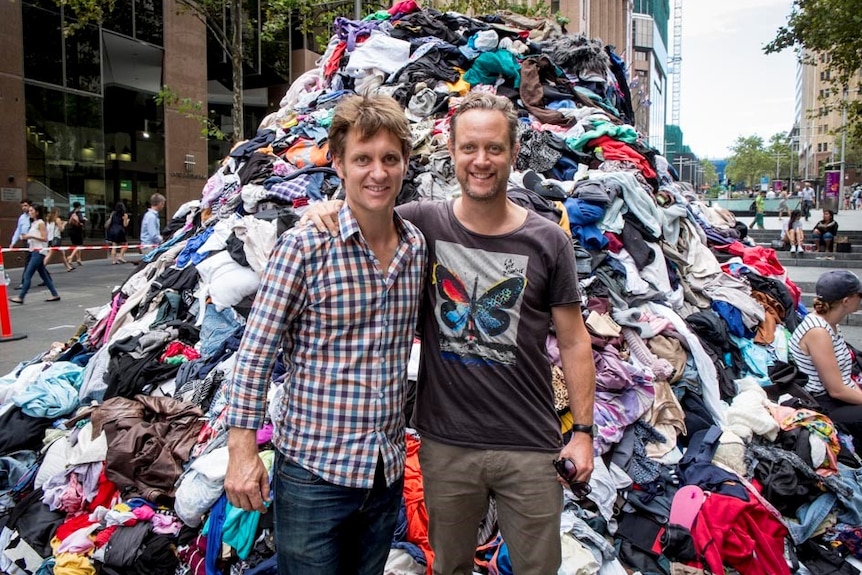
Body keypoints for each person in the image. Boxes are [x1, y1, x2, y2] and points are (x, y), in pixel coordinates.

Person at [305, 92, 596, 574]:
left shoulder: (549, 240)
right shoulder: (421, 223)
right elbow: (365, 209)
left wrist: (582, 433)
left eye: (494, 148)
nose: (481, 161)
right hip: (446, 445)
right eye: (469, 148)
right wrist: (324, 210)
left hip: (530, 446)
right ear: (451, 151)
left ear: (514, 153)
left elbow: (574, 340)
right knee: (449, 568)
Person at [223, 94, 426, 575]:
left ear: (405, 165)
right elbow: (254, 354)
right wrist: (242, 452)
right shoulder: (305, 246)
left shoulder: (416, 247)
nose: (377, 172)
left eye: (389, 159)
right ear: (337, 163)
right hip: (315, 476)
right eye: (362, 159)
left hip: (384, 472)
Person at [789, 270, 862, 448]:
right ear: (846, 301)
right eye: (859, 295)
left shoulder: (829, 323)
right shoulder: (819, 332)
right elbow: (836, 390)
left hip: (837, 398)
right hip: (824, 404)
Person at [8, 204, 61, 304]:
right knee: (43, 274)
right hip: (34, 251)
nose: (30, 212)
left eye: (32, 210)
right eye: (29, 211)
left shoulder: (40, 223)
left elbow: (45, 238)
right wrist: (26, 237)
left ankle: (21, 297)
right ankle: (55, 294)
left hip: (39, 252)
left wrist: (30, 236)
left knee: (28, 274)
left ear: (37, 212)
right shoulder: (34, 223)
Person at [43, 207, 72, 271]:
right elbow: (61, 229)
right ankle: (42, 267)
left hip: (50, 238)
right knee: (50, 254)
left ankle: (68, 267)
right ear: (57, 213)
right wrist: (64, 224)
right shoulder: (57, 219)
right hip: (56, 239)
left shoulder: (48, 219)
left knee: (61, 253)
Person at [64, 202, 86, 268]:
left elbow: (69, 221)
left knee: (75, 245)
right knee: (79, 245)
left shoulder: (70, 213)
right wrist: (84, 220)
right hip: (77, 230)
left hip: (71, 230)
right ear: (79, 206)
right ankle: (71, 257)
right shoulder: (79, 213)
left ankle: (79, 259)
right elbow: (81, 220)